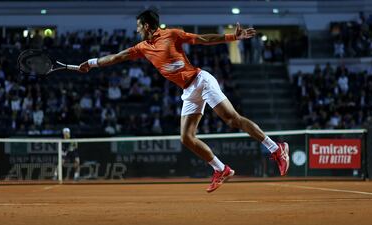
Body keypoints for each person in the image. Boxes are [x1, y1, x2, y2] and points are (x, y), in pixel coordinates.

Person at [78, 10, 289, 192]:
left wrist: (231, 38)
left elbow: (201, 39)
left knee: (232, 120)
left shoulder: (172, 33)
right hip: (188, 91)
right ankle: (220, 169)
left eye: (138, 27)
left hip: (201, 81)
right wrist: (91, 63)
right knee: (187, 137)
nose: (137, 30)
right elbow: (116, 57)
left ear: (147, 25)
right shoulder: (142, 47)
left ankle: (276, 148)